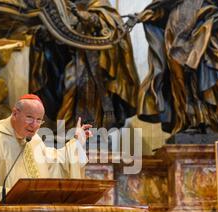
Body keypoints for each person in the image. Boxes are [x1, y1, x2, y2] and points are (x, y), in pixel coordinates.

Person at [137, 0, 218, 134]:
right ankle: (188, 122)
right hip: (176, 34)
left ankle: (217, 120)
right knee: (181, 83)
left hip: (206, 28)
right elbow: (163, 9)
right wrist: (148, 15)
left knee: (210, 73)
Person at [29, 0, 140, 130]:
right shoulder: (61, 4)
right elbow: (54, 32)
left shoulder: (98, 2)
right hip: (69, 59)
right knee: (69, 87)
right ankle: (67, 130)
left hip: (95, 61)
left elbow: (111, 23)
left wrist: (86, 17)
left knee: (87, 93)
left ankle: (90, 131)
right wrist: (44, 33)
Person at [0, 94, 93, 205]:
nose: (34, 125)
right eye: (30, 118)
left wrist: (77, 143)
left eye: (39, 120)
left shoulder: (35, 140)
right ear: (15, 113)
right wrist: (9, 194)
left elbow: (56, 165)